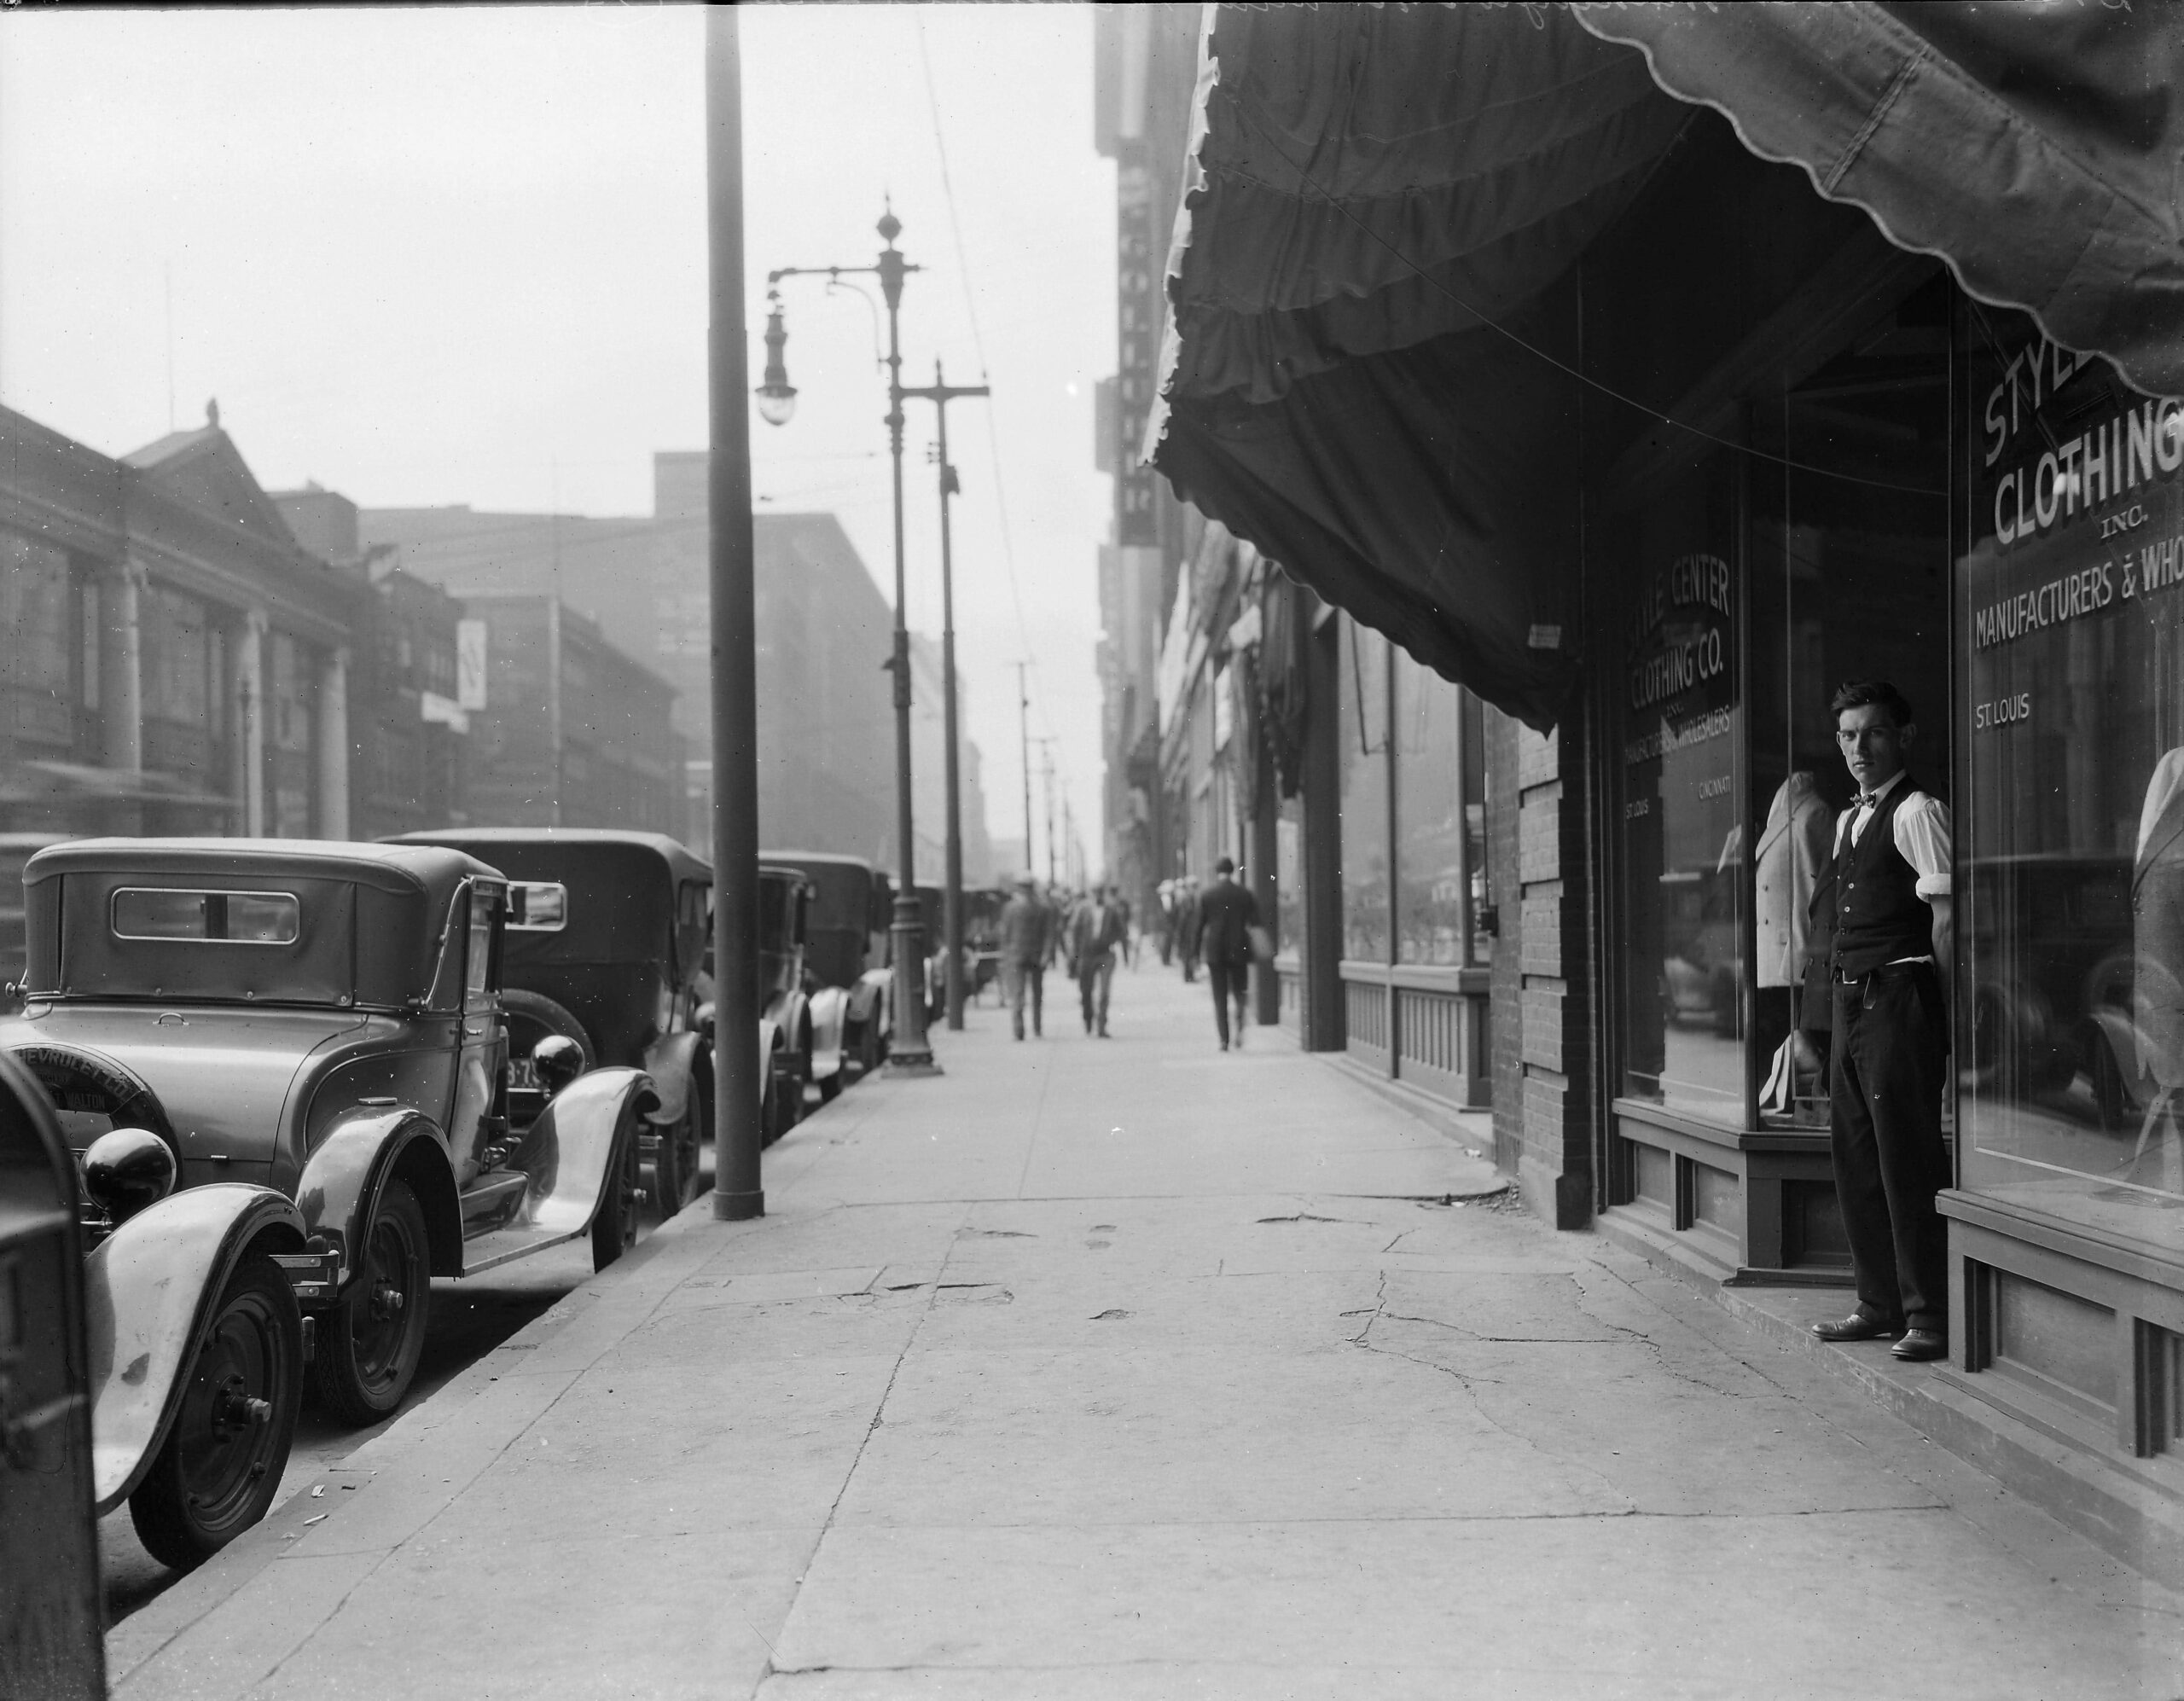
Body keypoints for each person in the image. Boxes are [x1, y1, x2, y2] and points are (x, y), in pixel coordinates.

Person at [1811, 681, 1954, 1363]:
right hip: (1850, 1001)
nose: (1858, 748)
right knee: (1857, 1157)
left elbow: (1948, 920)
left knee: (1907, 1157)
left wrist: (1944, 1011)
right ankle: (1877, 1304)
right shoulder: (1847, 821)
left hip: (1898, 996)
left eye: (1871, 733)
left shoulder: (1917, 812)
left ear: (1904, 737)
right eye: (1846, 735)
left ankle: (1927, 1314)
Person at [1195, 856, 1260, 1051]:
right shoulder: (1244, 894)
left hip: (1215, 952)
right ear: (1233, 871)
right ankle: (1240, 1028)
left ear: (1217, 872)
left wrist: (1194, 954)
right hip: (1239, 950)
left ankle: (1224, 1040)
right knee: (1240, 992)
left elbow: (1199, 927)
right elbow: (1256, 922)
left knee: (1220, 997)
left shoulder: (1208, 895)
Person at [1066, 883, 1129, 1036]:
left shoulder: (1111, 910)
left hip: (1105, 954)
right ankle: (1088, 1019)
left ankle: (1101, 1025)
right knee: (1086, 990)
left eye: (1100, 892)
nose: (1097, 895)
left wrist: (1112, 940)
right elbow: (1073, 931)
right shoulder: (1083, 910)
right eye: (1095, 892)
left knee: (1104, 992)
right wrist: (1074, 954)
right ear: (1090, 893)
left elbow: (1122, 931)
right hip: (1087, 954)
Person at [996, 872, 1054, 1041]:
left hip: (1036, 955)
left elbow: (1049, 933)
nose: (1025, 891)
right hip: (1017, 956)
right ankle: (1018, 1030)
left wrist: (1046, 954)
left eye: (1028, 888)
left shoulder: (1043, 909)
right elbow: (1005, 934)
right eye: (1023, 888)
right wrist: (1005, 955)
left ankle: (1037, 1027)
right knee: (1018, 994)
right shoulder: (1010, 909)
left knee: (1037, 994)